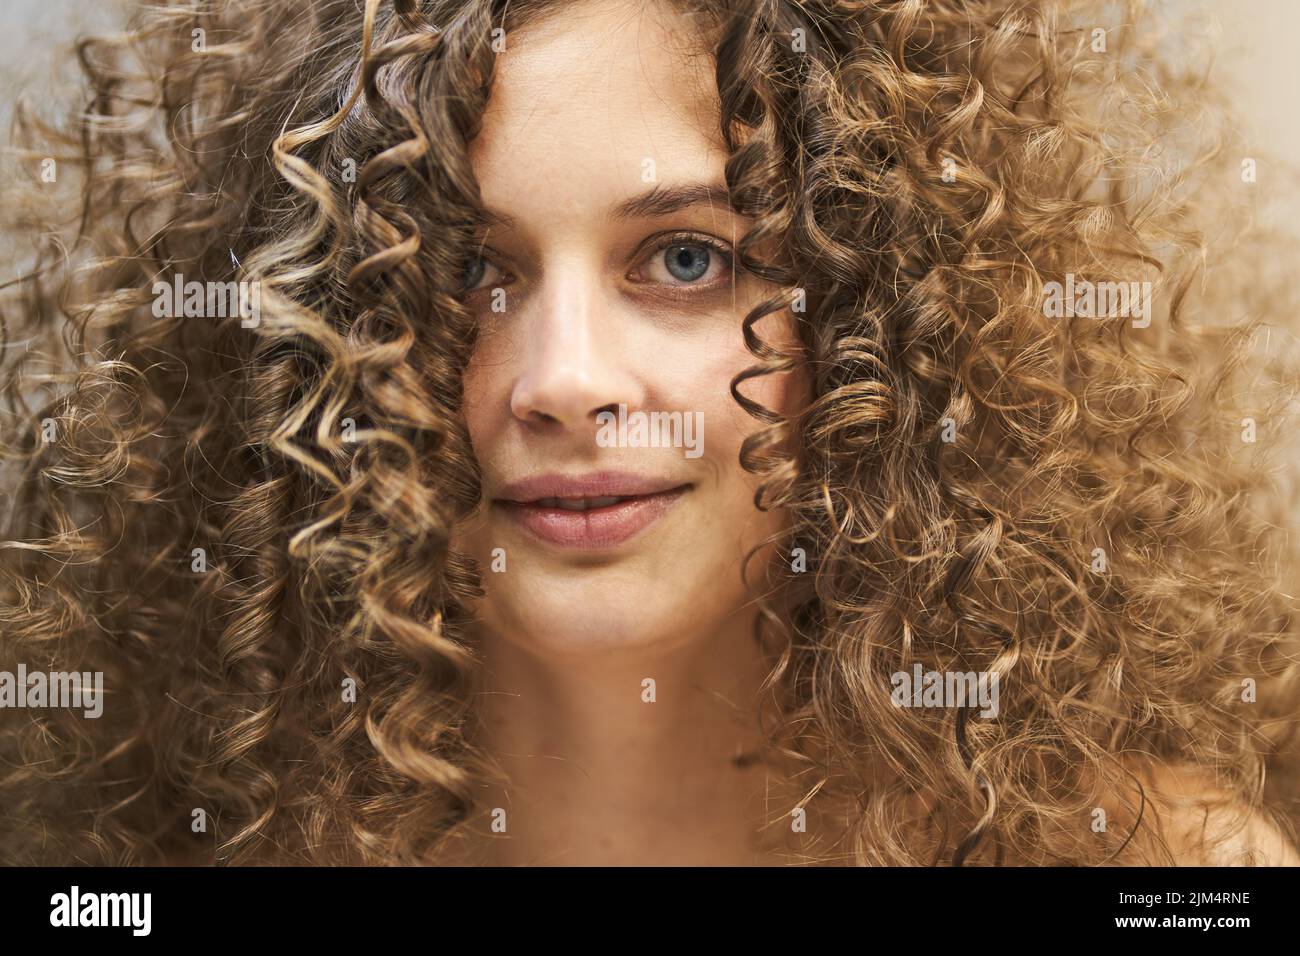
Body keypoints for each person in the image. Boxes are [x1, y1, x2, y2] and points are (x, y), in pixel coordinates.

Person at [1, 0, 1298, 867]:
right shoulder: (144, 864)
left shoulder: (1148, 862)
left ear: (874, 320)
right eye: (459, 273)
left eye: (686, 258)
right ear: (305, 337)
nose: (564, 383)